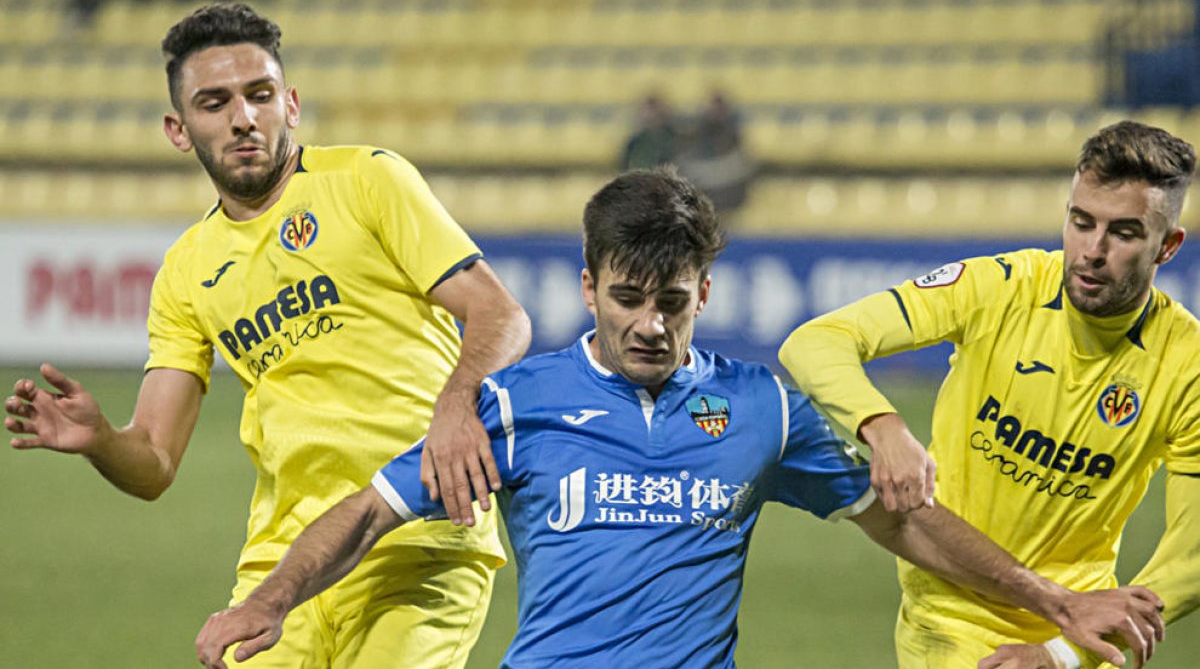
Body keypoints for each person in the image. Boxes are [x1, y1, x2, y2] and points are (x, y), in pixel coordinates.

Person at [195, 168, 1161, 669]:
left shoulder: (760, 410)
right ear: (587, 287)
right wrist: (270, 602)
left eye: (673, 302)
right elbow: (370, 506)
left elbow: (907, 522)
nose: (650, 326)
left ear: (704, 290)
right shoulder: (520, 403)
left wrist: (1057, 602)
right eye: (627, 299)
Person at [4, 2, 529, 668]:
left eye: (260, 95)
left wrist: (456, 407)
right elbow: (155, 461)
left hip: (418, 538)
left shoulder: (368, 180)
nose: (243, 117)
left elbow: (501, 316)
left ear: (292, 103)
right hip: (282, 566)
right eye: (214, 102)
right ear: (178, 127)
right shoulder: (186, 270)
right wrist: (103, 441)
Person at [778, 120, 1200, 669]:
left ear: (1167, 245)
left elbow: (1192, 552)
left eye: (1123, 233)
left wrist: (1061, 653)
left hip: (1079, 628)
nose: (1092, 250)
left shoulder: (1186, 363)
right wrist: (881, 425)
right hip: (952, 615)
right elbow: (815, 341)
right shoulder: (1000, 288)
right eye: (1080, 221)